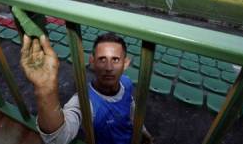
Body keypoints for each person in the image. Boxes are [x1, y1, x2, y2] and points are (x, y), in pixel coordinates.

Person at [20, 33, 153, 144]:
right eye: (102, 59)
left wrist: (142, 130)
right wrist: (45, 90)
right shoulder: (83, 101)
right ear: (92, 61)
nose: (108, 67)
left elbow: (131, 106)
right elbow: (58, 138)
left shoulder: (127, 82)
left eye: (116, 60)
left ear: (126, 63)